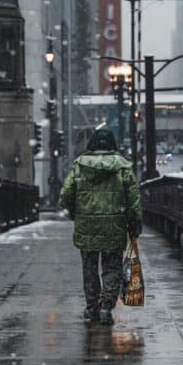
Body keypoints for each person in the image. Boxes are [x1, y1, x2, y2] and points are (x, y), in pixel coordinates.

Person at [59, 128, 142, 325]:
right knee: (111, 268)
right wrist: (134, 224)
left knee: (89, 269)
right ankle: (106, 306)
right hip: (114, 225)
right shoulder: (122, 167)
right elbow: (133, 200)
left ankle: (92, 308)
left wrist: (75, 212)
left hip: (86, 225)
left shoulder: (79, 165)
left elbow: (65, 196)